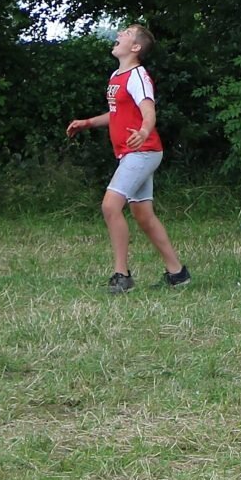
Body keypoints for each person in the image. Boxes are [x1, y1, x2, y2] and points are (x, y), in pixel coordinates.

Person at [67, 23, 189, 291]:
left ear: (135, 47)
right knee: (143, 215)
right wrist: (88, 122)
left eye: (127, 33)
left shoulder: (138, 76)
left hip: (143, 151)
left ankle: (122, 275)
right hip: (132, 153)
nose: (120, 34)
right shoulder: (117, 75)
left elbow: (148, 111)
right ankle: (177, 273)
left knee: (110, 206)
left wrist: (144, 131)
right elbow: (116, 113)